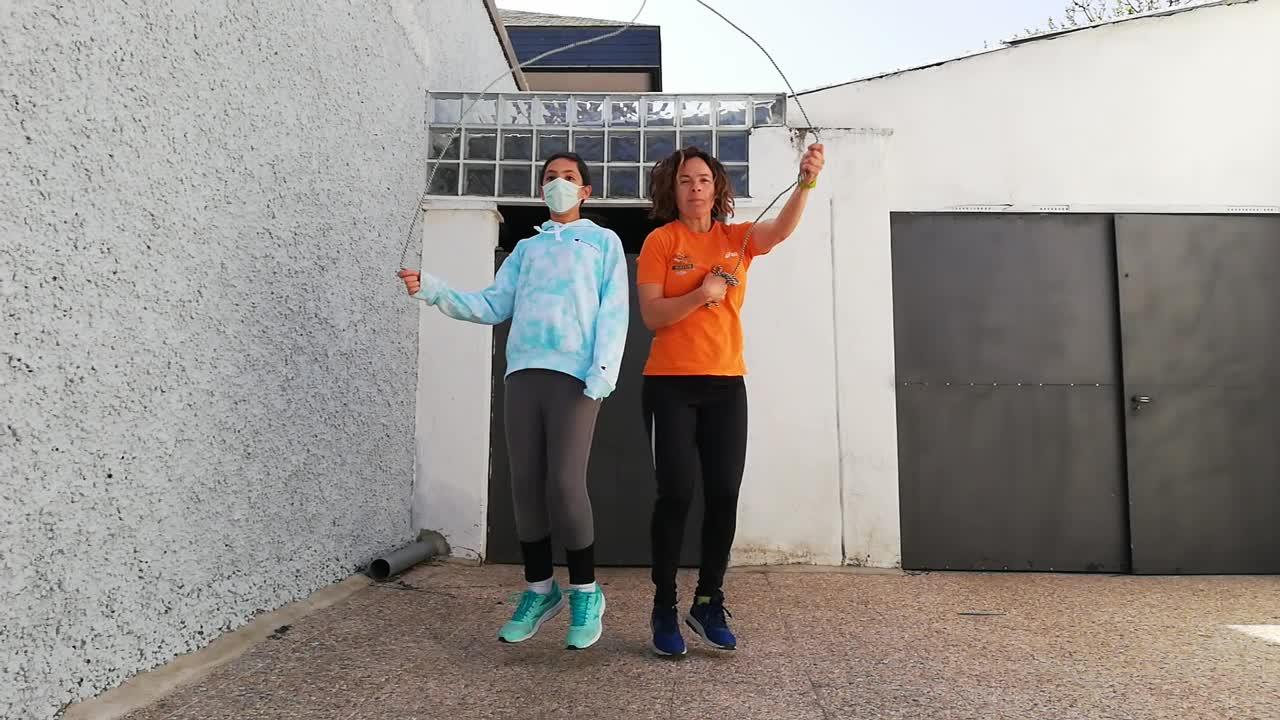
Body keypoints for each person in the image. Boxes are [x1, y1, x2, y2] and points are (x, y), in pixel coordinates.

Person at [398, 153, 629, 650]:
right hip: (523, 373)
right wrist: (432, 289)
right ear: (541, 189)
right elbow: (492, 304)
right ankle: (540, 590)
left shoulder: (602, 243)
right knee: (524, 484)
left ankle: (586, 591)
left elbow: (614, 310)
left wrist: (603, 372)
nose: (559, 184)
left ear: (586, 191)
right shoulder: (526, 249)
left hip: (577, 376)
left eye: (569, 178)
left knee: (565, 483)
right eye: (550, 178)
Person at [635, 143, 825, 656]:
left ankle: (707, 600)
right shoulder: (661, 241)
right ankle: (664, 606)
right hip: (670, 384)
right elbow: (652, 316)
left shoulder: (736, 238)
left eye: (702, 179)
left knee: (723, 494)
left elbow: (780, 230)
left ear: (716, 187)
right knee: (676, 494)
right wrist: (701, 293)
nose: (694, 188)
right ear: (672, 191)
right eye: (684, 181)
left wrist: (806, 182)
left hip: (725, 385)